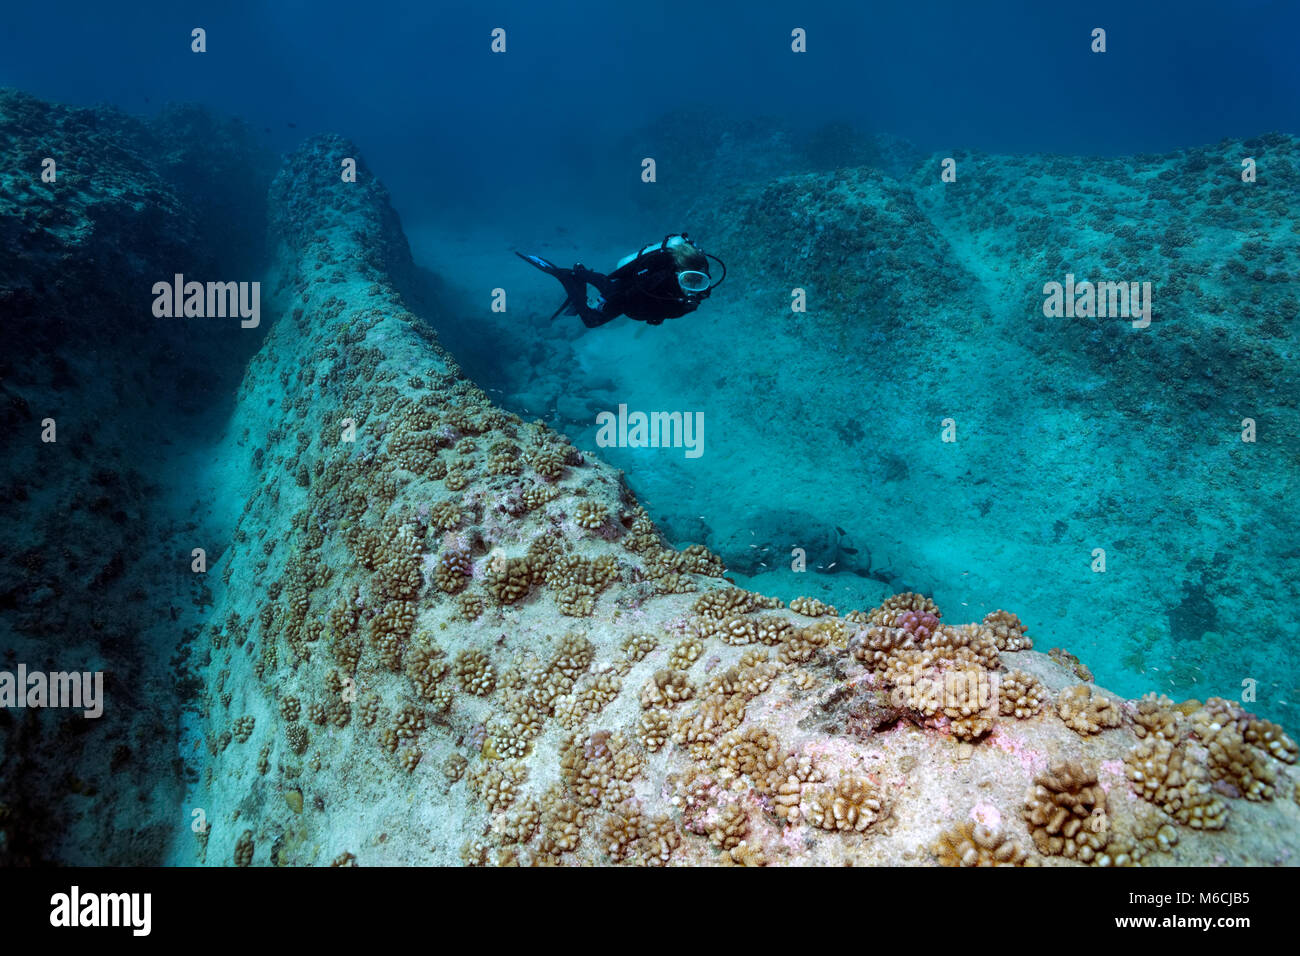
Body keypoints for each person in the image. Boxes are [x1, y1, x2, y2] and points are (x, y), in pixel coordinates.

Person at [516, 232, 726, 328]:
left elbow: (669, 308)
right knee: (592, 319)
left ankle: (580, 273)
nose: (694, 288)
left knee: (607, 290)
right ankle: (569, 276)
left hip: (639, 302)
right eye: (689, 280)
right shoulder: (658, 280)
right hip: (629, 294)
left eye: (698, 281)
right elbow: (621, 293)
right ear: (675, 275)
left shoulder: (698, 290)